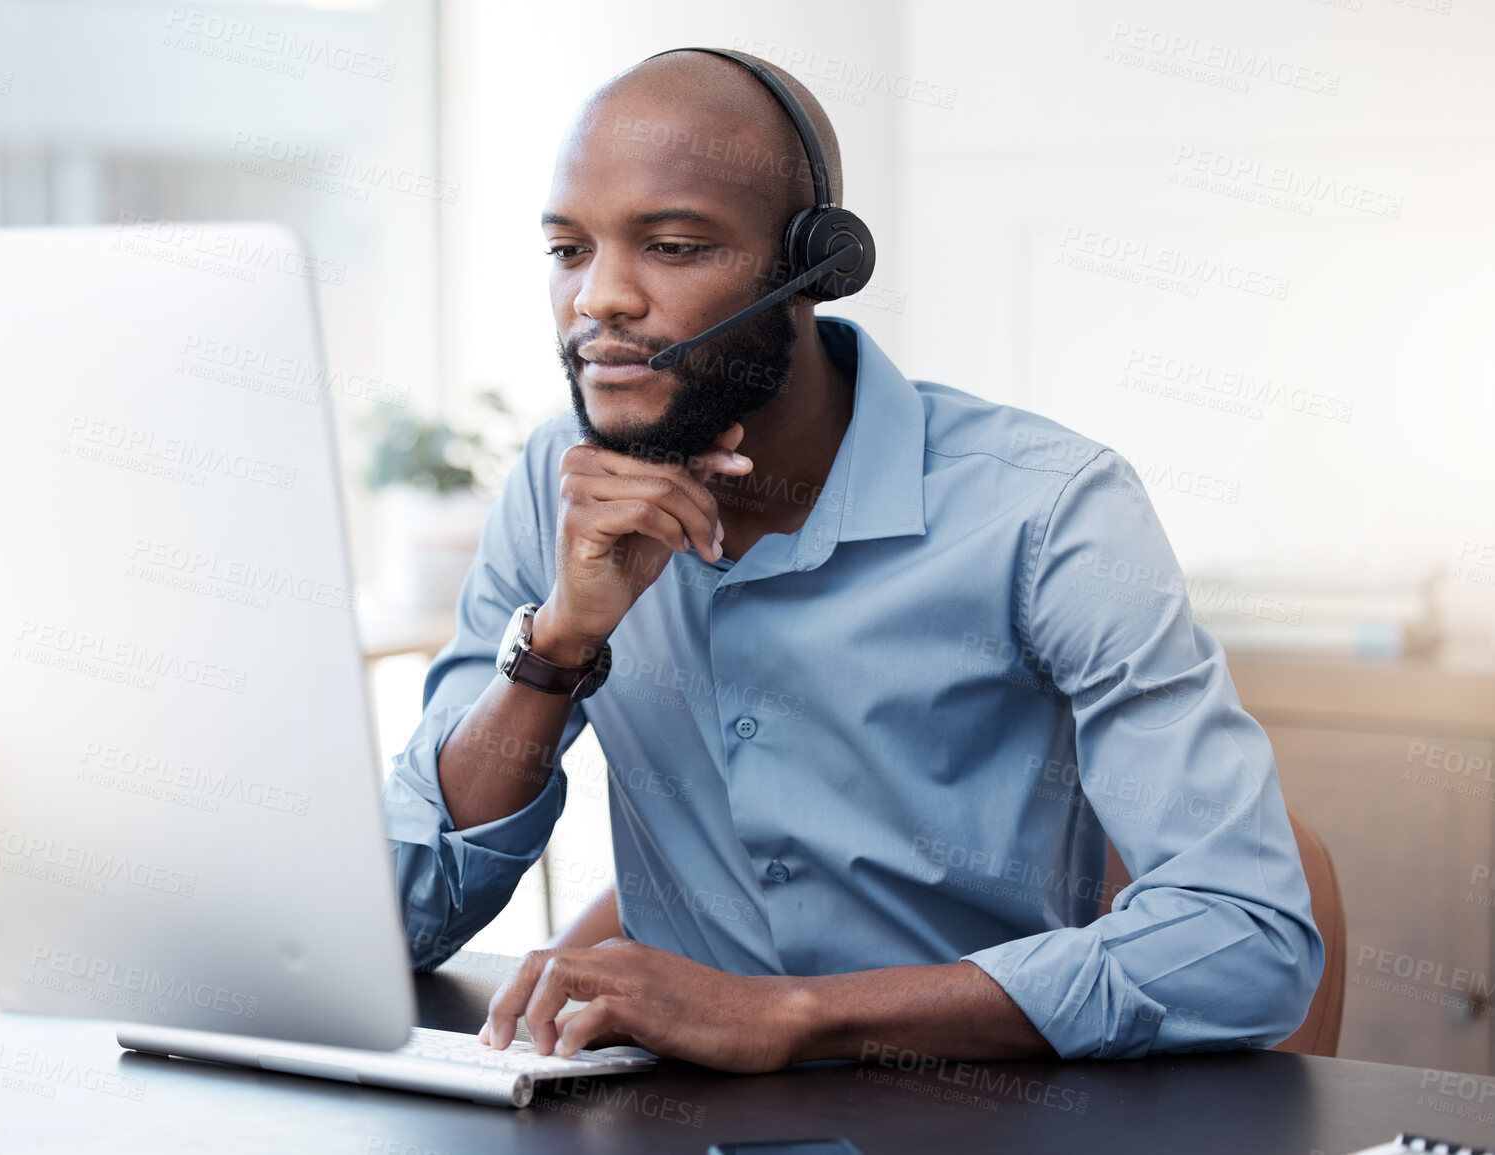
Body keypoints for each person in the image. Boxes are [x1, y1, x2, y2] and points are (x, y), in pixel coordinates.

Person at [381, 47, 1322, 1073]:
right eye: (568, 250)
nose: (599, 299)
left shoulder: (1046, 510)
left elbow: (1246, 940)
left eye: (674, 246)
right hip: (675, 1124)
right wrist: (557, 643)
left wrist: (788, 1014)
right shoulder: (558, 488)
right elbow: (398, 919)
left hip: (985, 1121)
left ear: (814, 267)